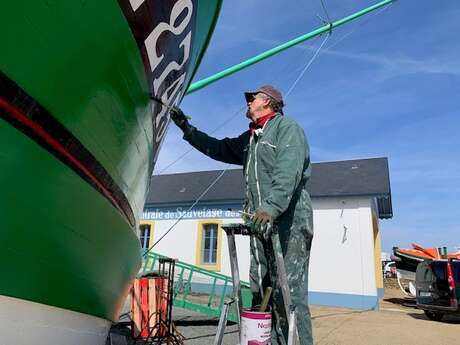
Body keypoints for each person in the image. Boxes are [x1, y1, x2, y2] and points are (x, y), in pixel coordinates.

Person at [169, 85, 313, 345]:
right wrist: (187, 131)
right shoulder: (249, 139)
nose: (247, 102)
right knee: (259, 292)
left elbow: (288, 172)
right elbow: (219, 148)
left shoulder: (286, 129)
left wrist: (270, 208)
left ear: (268, 103)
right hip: (259, 224)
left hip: (288, 223)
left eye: (253, 98)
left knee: (288, 294)